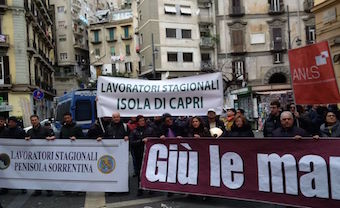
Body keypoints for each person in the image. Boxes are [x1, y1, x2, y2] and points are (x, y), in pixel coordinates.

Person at [25, 115, 55, 197]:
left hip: (45, 155)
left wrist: (51, 138)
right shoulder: (29, 131)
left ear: (38, 120)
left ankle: (49, 190)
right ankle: (38, 189)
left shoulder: (46, 129)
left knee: (46, 173)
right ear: (31, 121)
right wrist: (26, 140)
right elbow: (26, 141)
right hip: (34, 156)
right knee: (36, 173)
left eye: (35, 120)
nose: (34, 121)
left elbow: (54, 137)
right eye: (32, 120)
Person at [129, 115, 154, 196]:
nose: (142, 122)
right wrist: (141, 141)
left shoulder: (150, 129)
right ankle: (140, 188)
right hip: (139, 154)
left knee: (150, 171)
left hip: (149, 154)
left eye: (143, 120)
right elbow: (132, 142)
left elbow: (155, 139)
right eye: (140, 121)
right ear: (138, 122)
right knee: (140, 172)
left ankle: (150, 188)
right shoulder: (134, 131)